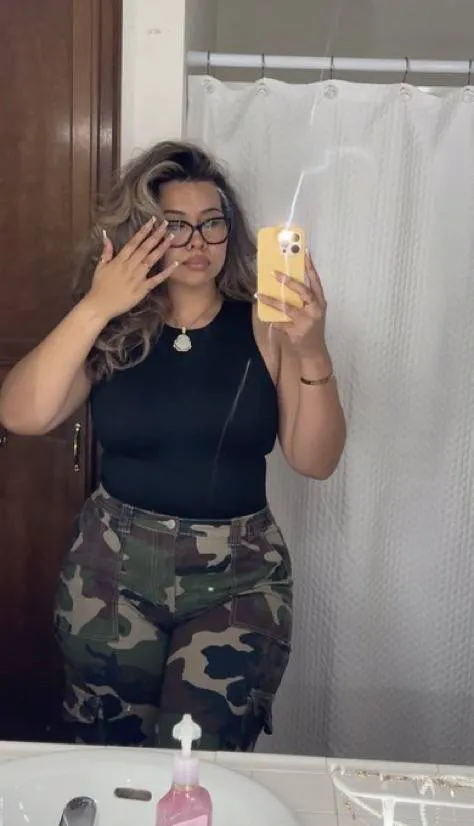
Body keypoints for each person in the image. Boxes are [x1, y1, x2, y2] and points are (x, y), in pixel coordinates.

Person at [0, 140, 346, 751]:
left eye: (212, 222)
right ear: (142, 232)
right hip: (110, 570)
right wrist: (97, 305)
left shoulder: (267, 324)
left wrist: (312, 349)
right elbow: (22, 414)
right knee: (109, 758)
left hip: (239, 577)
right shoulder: (113, 328)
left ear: (230, 230)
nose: (196, 241)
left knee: (204, 761)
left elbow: (315, 461)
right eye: (174, 225)